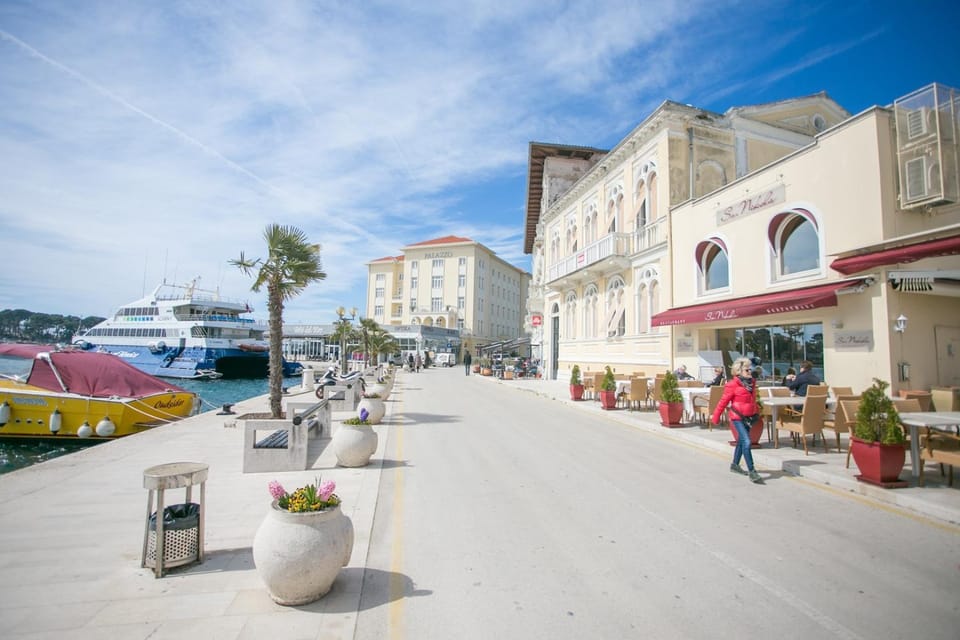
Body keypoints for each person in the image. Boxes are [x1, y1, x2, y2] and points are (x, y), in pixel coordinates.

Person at [712, 357, 764, 483]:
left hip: (749, 417)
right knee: (746, 442)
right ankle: (752, 471)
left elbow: (752, 400)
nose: (749, 371)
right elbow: (723, 401)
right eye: (747, 370)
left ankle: (735, 465)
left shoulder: (751, 383)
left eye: (750, 369)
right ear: (739, 371)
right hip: (737, 417)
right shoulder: (732, 385)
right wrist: (716, 416)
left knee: (741, 441)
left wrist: (756, 412)